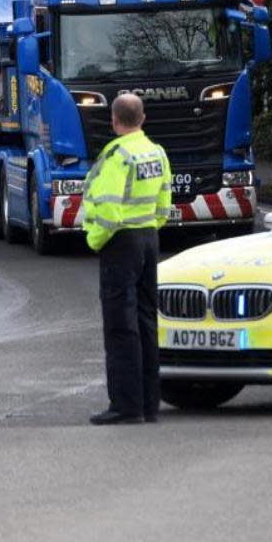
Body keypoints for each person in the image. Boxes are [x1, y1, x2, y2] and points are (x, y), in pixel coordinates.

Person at [82, 93, 173, 425]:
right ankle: (150, 404)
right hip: (150, 237)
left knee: (121, 326)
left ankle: (126, 405)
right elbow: (165, 199)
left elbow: (107, 205)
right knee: (147, 321)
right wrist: (151, 226)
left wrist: (95, 240)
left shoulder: (118, 155)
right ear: (143, 118)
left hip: (121, 242)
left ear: (114, 121)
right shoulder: (156, 152)